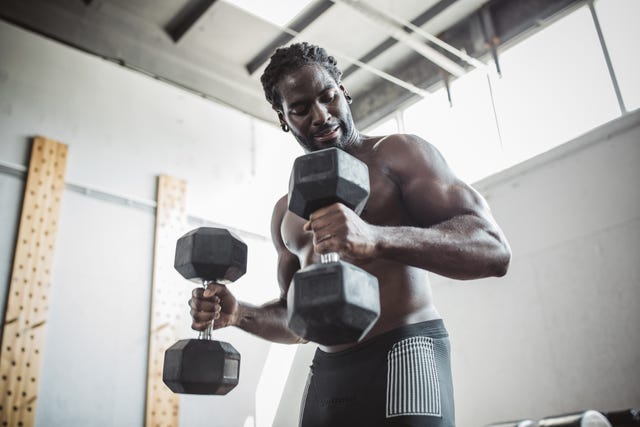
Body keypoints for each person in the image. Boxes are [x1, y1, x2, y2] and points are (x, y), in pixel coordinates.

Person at [189, 42, 511, 426]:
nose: (322, 116)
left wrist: (376, 237)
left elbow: (492, 250)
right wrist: (241, 313)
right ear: (283, 118)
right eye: (301, 108)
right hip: (329, 372)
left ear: (344, 92)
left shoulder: (399, 153)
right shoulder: (284, 213)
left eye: (328, 97)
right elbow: (297, 323)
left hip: (405, 349)